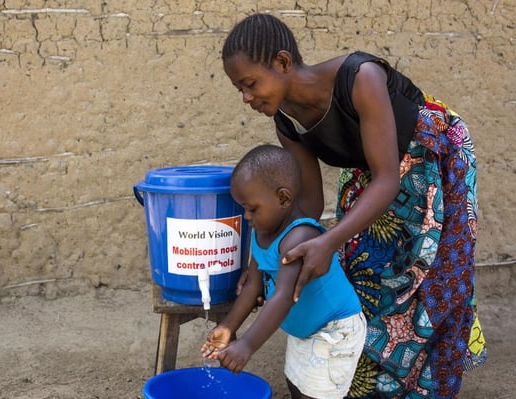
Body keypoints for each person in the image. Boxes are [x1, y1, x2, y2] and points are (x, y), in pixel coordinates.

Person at [221, 13, 487, 399]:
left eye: (250, 84)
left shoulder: (360, 77)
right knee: (365, 272)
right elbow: (307, 203)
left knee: (431, 274)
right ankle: (380, 384)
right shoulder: (287, 122)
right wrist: (261, 264)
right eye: (239, 90)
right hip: (372, 171)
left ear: (281, 63)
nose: (246, 98)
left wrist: (327, 242)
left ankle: (427, 386)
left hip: (433, 158)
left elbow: (388, 179)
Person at [201, 144, 367, 399]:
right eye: (243, 208)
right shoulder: (261, 234)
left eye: (252, 208)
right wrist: (228, 327)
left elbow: (283, 295)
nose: (246, 216)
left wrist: (246, 345)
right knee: (297, 386)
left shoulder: (299, 237)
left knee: (316, 394)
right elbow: (253, 286)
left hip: (334, 330)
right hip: (307, 331)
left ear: (283, 198)